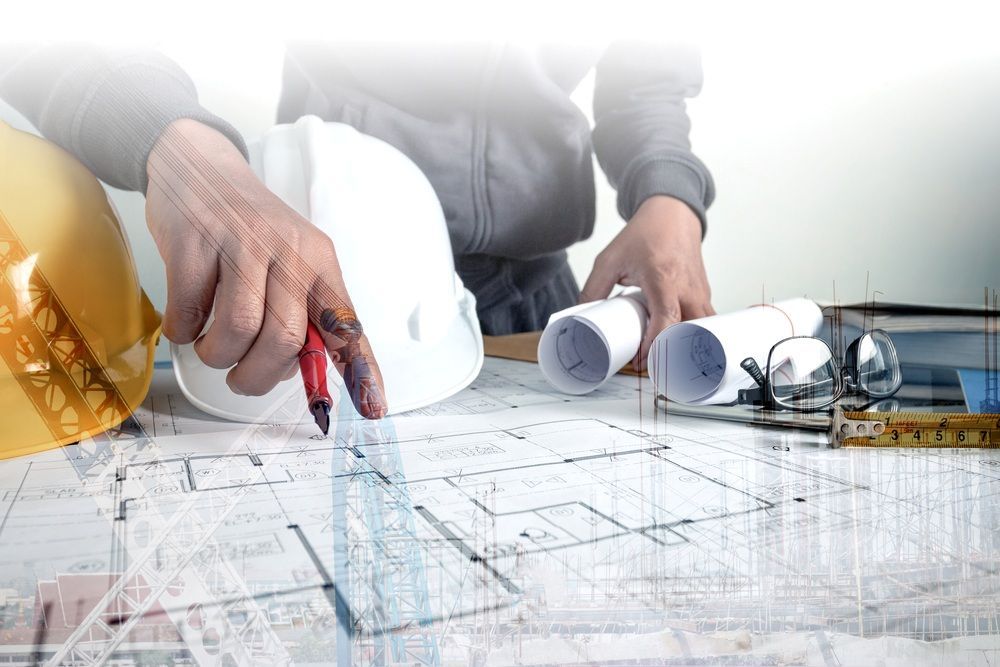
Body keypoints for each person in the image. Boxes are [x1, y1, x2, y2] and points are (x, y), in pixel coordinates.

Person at [0, 41, 715, 417]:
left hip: (535, 303)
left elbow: (646, 62)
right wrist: (176, 145)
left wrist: (668, 193)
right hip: (277, 282)